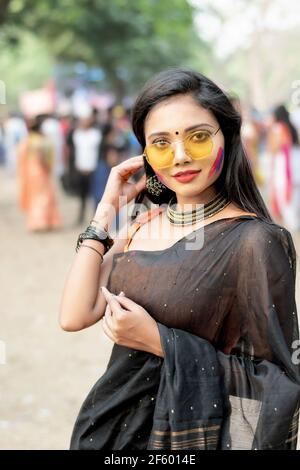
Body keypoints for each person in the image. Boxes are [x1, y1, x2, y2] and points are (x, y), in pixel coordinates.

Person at [59, 68, 300, 450]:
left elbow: (278, 384)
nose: (181, 155)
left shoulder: (256, 241)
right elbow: (75, 314)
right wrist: (105, 211)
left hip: (185, 441)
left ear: (228, 136)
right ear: (146, 154)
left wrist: (159, 341)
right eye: (161, 143)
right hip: (108, 433)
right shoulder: (144, 221)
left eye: (199, 137)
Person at [17, 115, 63, 232]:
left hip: (31, 173)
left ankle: (37, 222)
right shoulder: (43, 140)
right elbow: (46, 157)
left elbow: (21, 156)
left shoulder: (27, 141)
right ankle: (47, 221)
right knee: (45, 196)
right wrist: (48, 167)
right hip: (42, 173)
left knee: (36, 198)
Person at [266, 104, 300, 231]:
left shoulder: (278, 129)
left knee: (287, 207)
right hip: (294, 170)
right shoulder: (292, 128)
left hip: (284, 173)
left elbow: (272, 149)